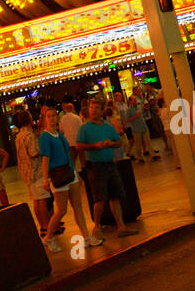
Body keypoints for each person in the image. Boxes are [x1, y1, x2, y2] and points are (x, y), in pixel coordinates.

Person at [75, 99, 140, 240]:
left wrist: (110, 143)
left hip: (110, 164)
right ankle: (96, 227)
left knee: (115, 195)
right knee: (99, 198)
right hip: (96, 165)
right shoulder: (85, 128)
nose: (94, 110)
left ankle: (121, 226)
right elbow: (79, 145)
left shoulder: (108, 127)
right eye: (92, 107)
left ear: (102, 110)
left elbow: (118, 142)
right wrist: (95, 146)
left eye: (97, 108)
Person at [39, 107, 96, 253]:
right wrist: (45, 179)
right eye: (49, 116)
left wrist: (75, 172)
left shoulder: (59, 134)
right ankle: (49, 237)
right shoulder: (45, 137)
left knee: (78, 206)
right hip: (57, 175)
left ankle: (87, 236)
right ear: (45, 119)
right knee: (62, 209)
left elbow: (68, 155)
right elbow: (45, 158)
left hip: (69, 173)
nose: (52, 118)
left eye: (54, 116)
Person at [12, 110, 49, 232]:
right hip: (36, 170)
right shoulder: (29, 135)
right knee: (42, 198)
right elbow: (33, 152)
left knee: (36, 200)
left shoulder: (19, 136)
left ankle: (42, 226)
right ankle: (46, 226)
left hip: (26, 172)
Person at [59, 100, 84, 172]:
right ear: (72, 109)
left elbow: (61, 131)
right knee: (82, 160)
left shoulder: (62, 119)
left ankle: (74, 175)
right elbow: (81, 128)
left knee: (72, 161)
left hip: (69, 142)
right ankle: (84, 173)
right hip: (78, 141)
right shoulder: (77, 118)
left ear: (66, 109)